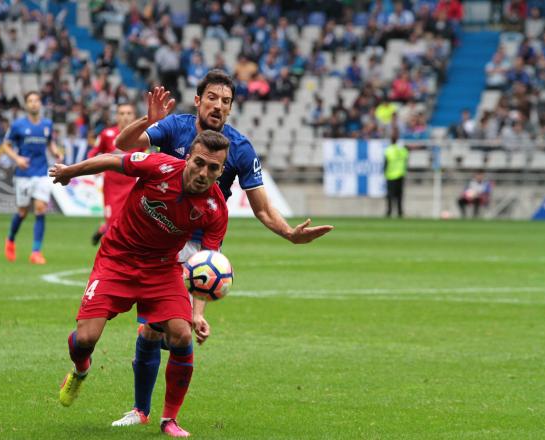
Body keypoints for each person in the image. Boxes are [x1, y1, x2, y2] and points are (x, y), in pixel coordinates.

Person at [112, 71, 334, 427]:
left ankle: (167, 416)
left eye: (226, 101)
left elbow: (261, 208)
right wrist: (148, 121)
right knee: (152, 330)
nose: (219, 105)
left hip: (202, 245)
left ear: (231, 108)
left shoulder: (240, 149)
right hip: (160, 238)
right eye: (212, 97)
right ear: (198, 100)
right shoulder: (174, 127)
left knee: (170, 330)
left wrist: (289, 233)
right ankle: (141, 411)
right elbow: (127, 146)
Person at [51, 130, 231, 438]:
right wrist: (70, 172)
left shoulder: (215, 210)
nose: (203, 173)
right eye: (199, 163)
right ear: (188, 157)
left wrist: (197, 313)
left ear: (221, 171)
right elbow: (112, 159)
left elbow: (206, 268)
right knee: (85, 339)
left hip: (162, 269)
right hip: (117, 259)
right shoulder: (159, 166)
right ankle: (81, 370)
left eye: (213, 168)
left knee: (180, 335)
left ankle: (169, 419)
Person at [1, 91, 63, 264]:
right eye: (30, 101)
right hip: (24, 174)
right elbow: (5, 146)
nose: (34, 104)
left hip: (42, 172)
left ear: (40, 104)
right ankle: (11, 240)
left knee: (40, 208)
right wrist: (17, 159)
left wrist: (55, 152)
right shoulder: (18, 125)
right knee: (22, 212)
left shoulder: (47, 124)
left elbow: (50, 142)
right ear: (26, 105)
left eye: (36, 100)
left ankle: (36, 252)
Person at [87, 102, 138, 245]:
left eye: (129, 113)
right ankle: (105, 232)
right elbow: (93, 153)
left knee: (127, 225)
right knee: (113, 223)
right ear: (117, 116)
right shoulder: (107, 134)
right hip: (112, 186)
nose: (125, 117)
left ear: (134, 116)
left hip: (131, 187)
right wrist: (95, 167)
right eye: (122, 114)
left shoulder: (141, 136)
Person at [383, 129, 408, 218]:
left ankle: (389, 212)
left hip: (390, 175)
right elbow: (406, 159)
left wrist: (384, 172)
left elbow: (385, 162)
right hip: (400, 174)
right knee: (399, 195)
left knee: (390, 195)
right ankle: (400, 212)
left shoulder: (388, 150)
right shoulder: (402, 149)